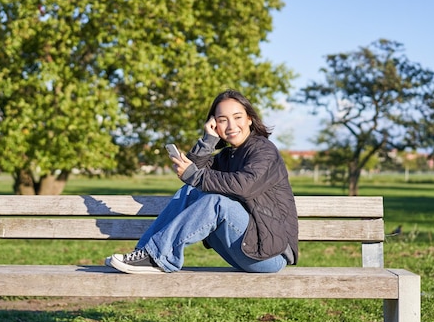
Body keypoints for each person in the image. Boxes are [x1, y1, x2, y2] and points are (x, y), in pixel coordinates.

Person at [108, 89, 298, 274]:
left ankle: (157, 256)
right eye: (222, 120)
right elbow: (196, 176)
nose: (231, 126)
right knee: (189, 192)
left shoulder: (264, 150)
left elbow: (244, 185)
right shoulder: (227, 156)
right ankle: (145, 252)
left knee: (217, 202)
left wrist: (193, 175)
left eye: (238, 117)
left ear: (249, 119)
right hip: (245, 245)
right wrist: (208, 140)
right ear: (215, 124)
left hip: (271, 253)